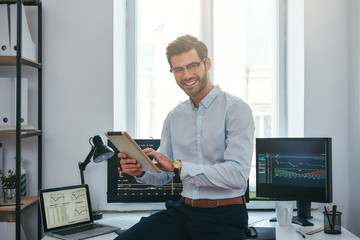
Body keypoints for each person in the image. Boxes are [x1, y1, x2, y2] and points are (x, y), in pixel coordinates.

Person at [115, 35, 255, 240]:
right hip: (184, 212)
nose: (186, 74)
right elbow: (163, 175)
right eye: (178, 69)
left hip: (224, 217)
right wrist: (140, 170)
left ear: (207, 64)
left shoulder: (236, 110)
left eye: (192, 66)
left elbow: (236, 175)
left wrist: (178, 166)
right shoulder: (174, 116)